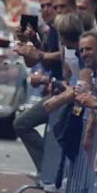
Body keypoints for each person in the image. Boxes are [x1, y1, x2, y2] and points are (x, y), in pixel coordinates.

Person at [14, 13, 86, 173]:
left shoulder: (82, 52)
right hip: (64, 96)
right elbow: (67, 77)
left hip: (75, 101)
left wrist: (59, 95)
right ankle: (48, 172)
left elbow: (83, 83)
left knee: (63, 136)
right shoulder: (65, 49)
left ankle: (53, 173)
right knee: (23, 124)